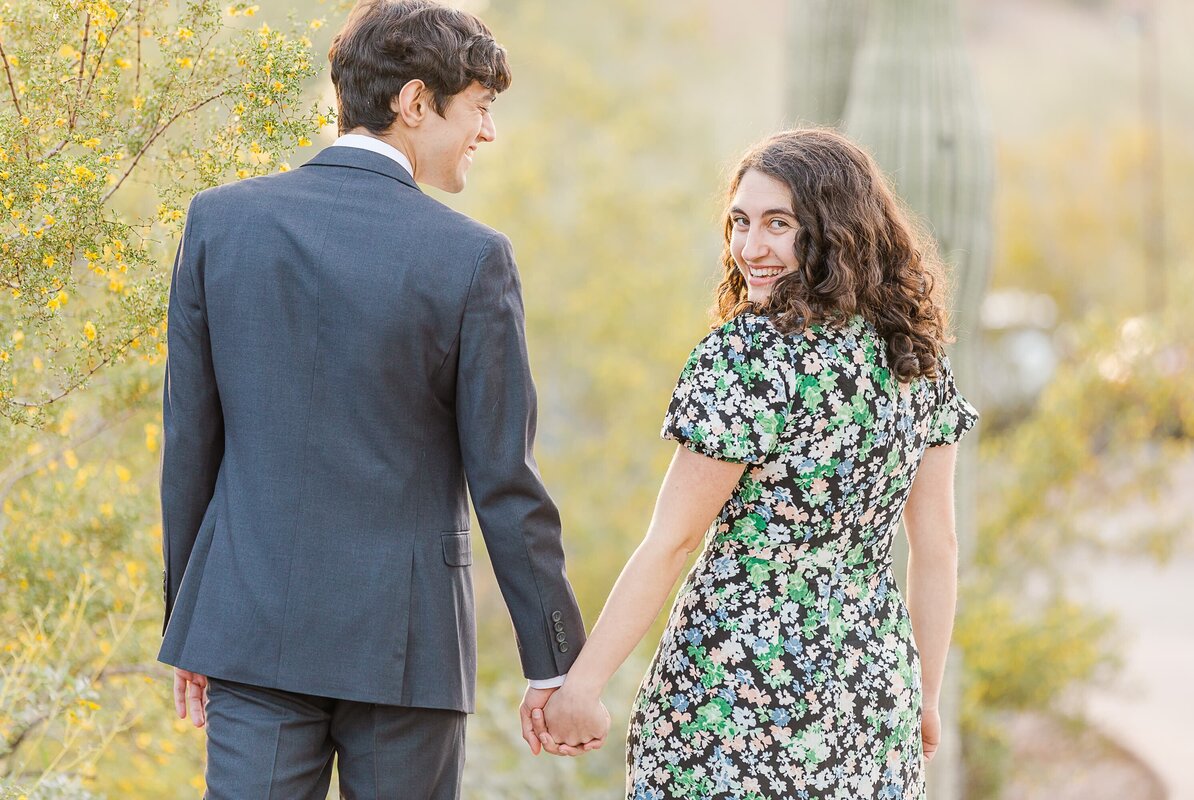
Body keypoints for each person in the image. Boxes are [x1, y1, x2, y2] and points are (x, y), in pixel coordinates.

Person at [157, 2, 591, 797]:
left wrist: (192, 623)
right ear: (415, 103)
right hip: (409, 651)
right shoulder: (472, 258)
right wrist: (557, 663)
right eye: (480, 109)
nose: (486, 134)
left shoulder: (220, 224)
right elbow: (504, 480)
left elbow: (191, 442)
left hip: (250, 632)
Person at [532, 128, 980, 799]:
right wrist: (925, 693)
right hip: (871, 684)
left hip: (735, 695)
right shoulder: (913, 356)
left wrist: (583, 685)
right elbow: (936, 549)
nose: (750, 248)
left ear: (835, 231)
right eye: (740, 222)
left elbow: (673, 540)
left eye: (778, 224)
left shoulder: (749, 357)